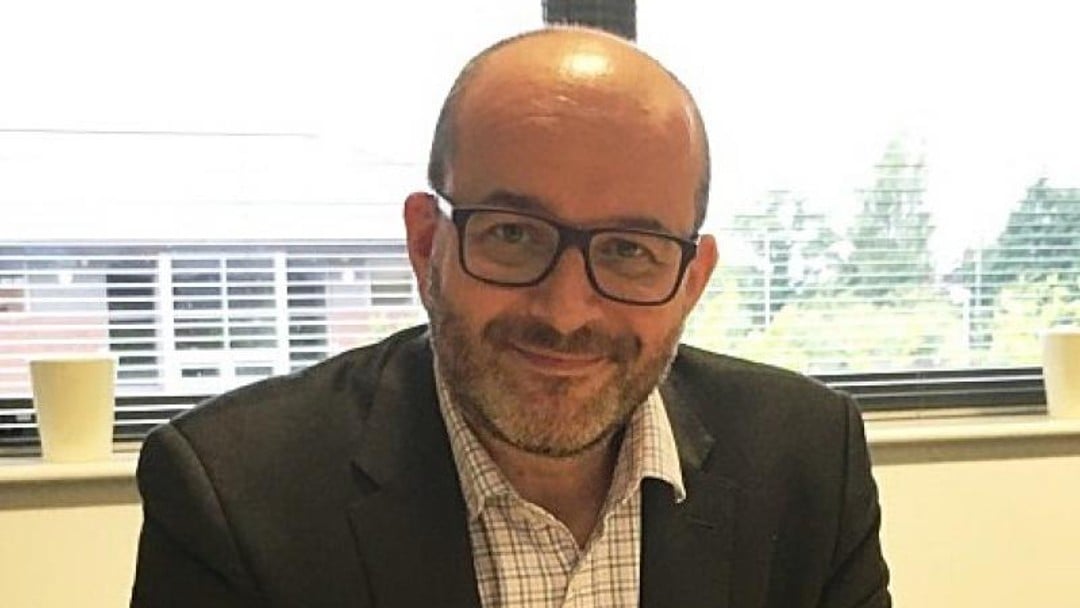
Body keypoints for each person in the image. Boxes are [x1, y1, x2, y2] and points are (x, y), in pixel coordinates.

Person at [130, 26, 890, 608]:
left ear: (692, 281)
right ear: (426, 243)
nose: (565, 312)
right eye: (514, 235)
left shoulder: (809, 462)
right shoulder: (233, 494)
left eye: (629, 250)